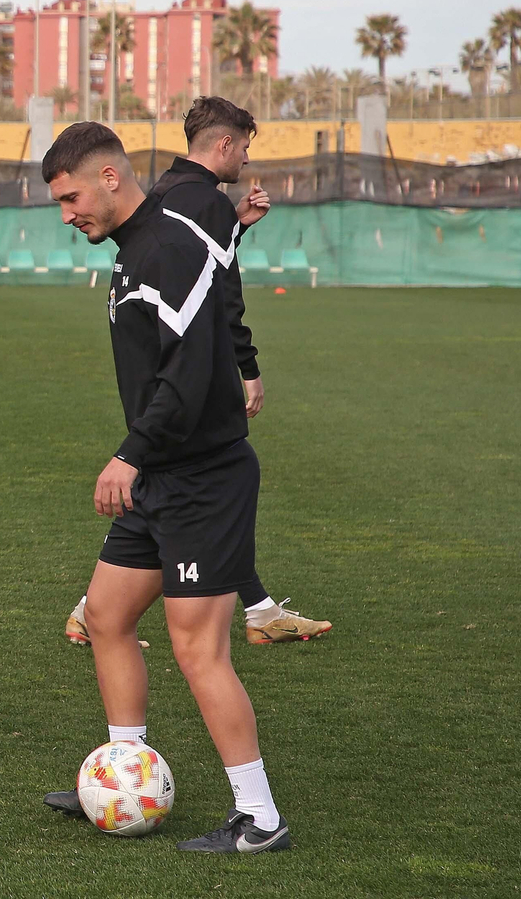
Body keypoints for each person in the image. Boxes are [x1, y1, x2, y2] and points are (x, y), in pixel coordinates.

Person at [39, 122, 291, 854]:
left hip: (203, 479)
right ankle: (125, 770)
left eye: (71, 197)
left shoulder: (167, 249)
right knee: (109, 617)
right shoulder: (135, 250)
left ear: (112, 178)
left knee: (198, 650)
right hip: (163, 476)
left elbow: (187, 376)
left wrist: (129, 454)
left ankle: (260, 817)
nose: (67, 214)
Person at [62, 97, 331, 648]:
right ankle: (101, 608)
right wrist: (246, 365)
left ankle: (249, 609)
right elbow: (216, 295)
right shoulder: (202, 203)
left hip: (161, 412)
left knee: (200, 498)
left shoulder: (167, 191)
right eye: (246, 148)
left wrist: (236, 227)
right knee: (216, 481)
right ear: (225, 144)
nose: (246, 162)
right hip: (182, 412)